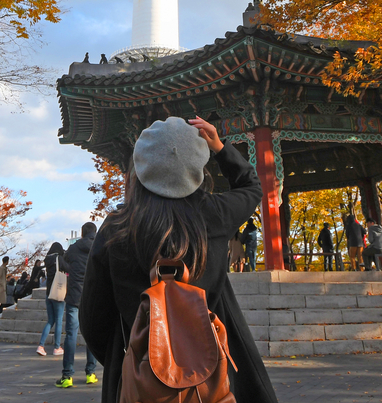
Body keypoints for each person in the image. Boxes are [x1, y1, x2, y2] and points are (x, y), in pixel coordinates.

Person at [80, 116, 278, 403]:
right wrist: (221, 148)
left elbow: (93, 321)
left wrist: (131, 359)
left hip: (137, 375)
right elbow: (252, 188)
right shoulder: (215, 214)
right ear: (196, 166)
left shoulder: (116, 228)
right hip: (211, 374)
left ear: (141, 166)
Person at [57, 222, 98, 388]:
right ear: (95, 233)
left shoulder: (73, 249)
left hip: (74, 296)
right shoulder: (100, 247)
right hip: (93, 298)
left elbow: (65, 265)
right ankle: (91, 373)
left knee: (71, 335)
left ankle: (67, 376)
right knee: (92, 337)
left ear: (82, 233)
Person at [36, 242, 66, 357]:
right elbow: (68, 268)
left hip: (49, 293)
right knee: (58, 321)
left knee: (50, 321)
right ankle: (57, 347)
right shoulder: (59, 258)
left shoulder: (47, 260)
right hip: (58, 292)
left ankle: (41, 345)